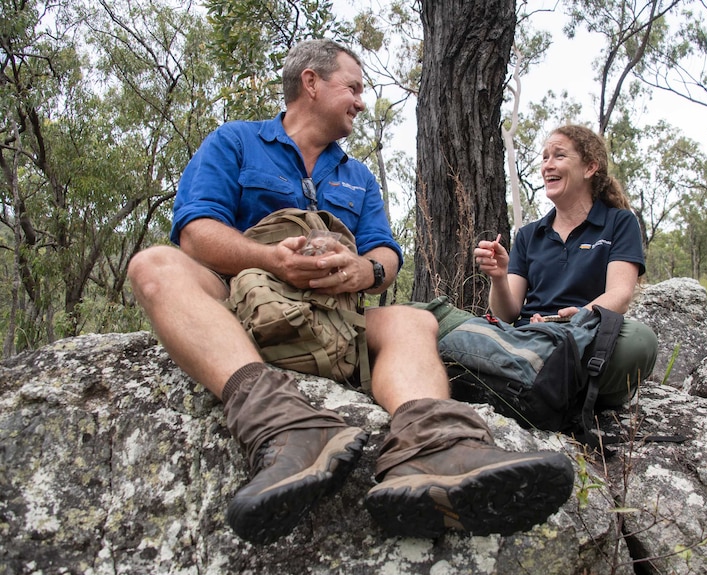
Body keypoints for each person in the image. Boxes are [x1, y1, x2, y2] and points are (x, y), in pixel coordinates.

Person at [128, 39, 574, 545]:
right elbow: (196, 231)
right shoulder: (235, 143)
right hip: (239, 304)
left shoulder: (357, 176)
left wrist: (366, 272)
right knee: (154, 265)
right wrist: (273, 259)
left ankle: (434, 452)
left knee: (413, 320)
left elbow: (385, 251)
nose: (362, 101)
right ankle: (287, 429)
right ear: (311, 82)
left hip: (338, 321)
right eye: (354, 88)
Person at [473, 124, 658, 407]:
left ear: (590, 167)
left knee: (640, 341)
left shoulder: (620, 223)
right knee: (445, 323)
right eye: (545, 157)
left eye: (559, 156)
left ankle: (521, 382)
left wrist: (580, 317)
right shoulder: (528, 235)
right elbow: (506, 313)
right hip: (529, 337)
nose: (548, 165)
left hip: (585, 339)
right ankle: (548, 384)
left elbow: (620, 295)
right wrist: (499, 277)